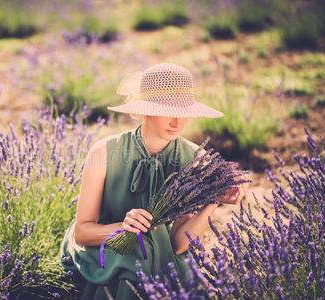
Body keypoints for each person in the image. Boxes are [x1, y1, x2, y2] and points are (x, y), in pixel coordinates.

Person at [59, 63, 249, 299]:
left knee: (148, 262)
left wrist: (214, 198)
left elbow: (179, 244)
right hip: (106, 250)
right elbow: (82, 233)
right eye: (168, 111)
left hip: (162, 256)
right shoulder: (104, 152)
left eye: (184, 112)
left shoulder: (195, 158)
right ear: (146, 110)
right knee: (132, 262)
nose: (178, 122)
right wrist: (122, 228)